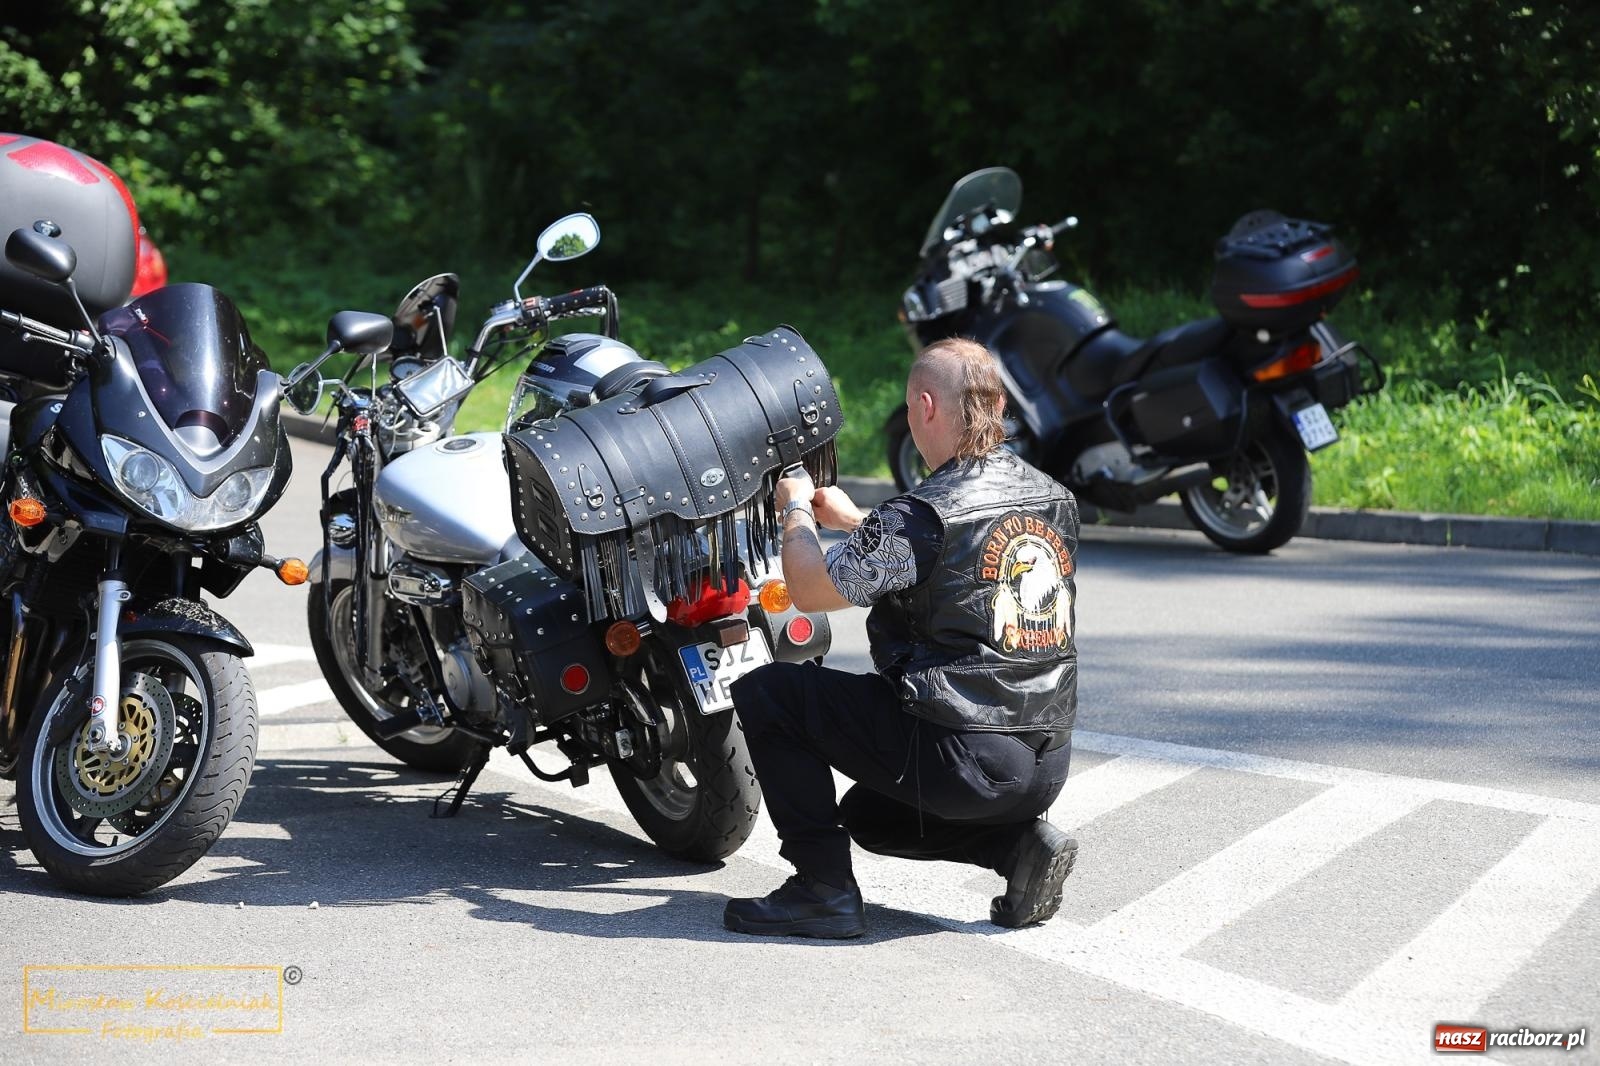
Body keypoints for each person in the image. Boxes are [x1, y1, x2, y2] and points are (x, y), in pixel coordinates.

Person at [724, 337, 1080, 939]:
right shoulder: (1051, 496)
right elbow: (964, 564)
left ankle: (822, 890)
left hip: (964, 754)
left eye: (911, 408)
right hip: (1043, 760)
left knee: (768, 693)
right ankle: (1019, 846)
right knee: (869, 816)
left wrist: (795, 509)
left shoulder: (922, 515)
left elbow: (809, 589)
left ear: (925, 405)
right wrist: (860, 522)